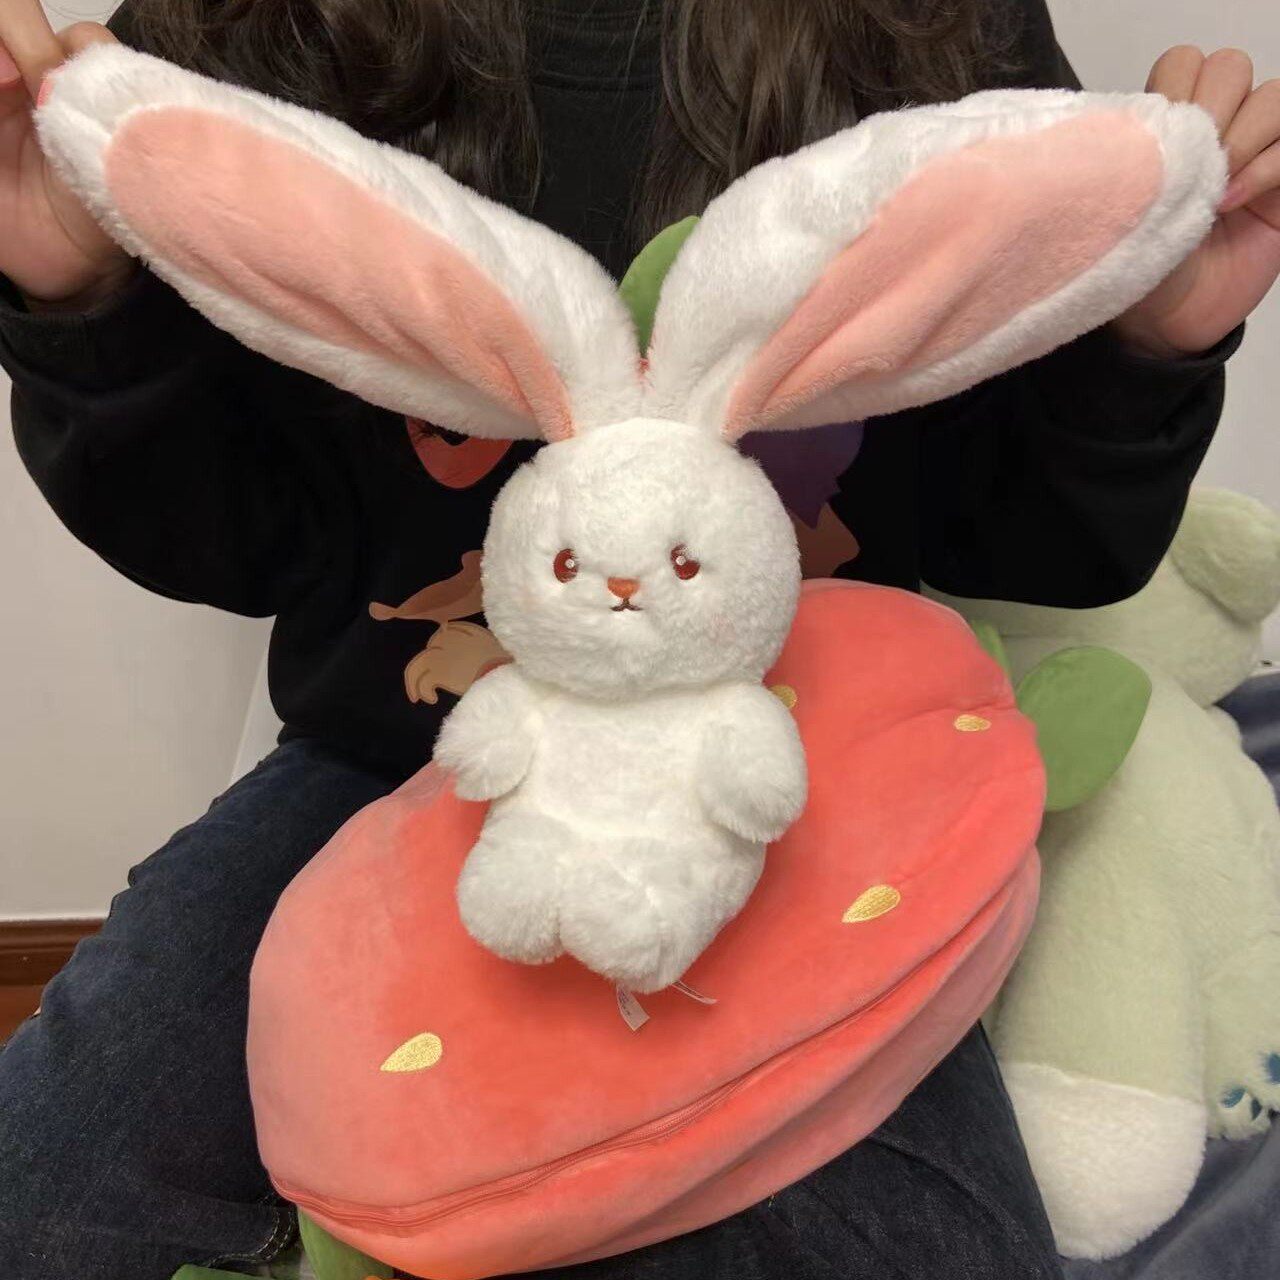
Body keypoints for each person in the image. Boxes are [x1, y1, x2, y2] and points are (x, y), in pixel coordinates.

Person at [1, 0, 1277, 1276]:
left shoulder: (938, 23)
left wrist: (1142, 348)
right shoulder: (243, 26)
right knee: (51, 1203)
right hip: (378, 760)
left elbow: (1036, 548)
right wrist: (80, 308)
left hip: (805, 765)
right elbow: (230, 542)